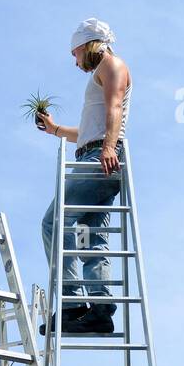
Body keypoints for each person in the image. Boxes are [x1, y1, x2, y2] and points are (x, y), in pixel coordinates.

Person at [38, 18, 131, 336]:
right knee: (91, 238)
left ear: (89, 45)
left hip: (99, 158)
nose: (73, 57)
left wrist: (107, 147)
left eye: (74, 50)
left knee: (53, 222)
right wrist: (55, 130)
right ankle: (100, 312)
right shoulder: (100, 74)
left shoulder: (112, 65)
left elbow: (115, 107)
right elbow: (91, 130)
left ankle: (72, 303)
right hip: (97, 154)